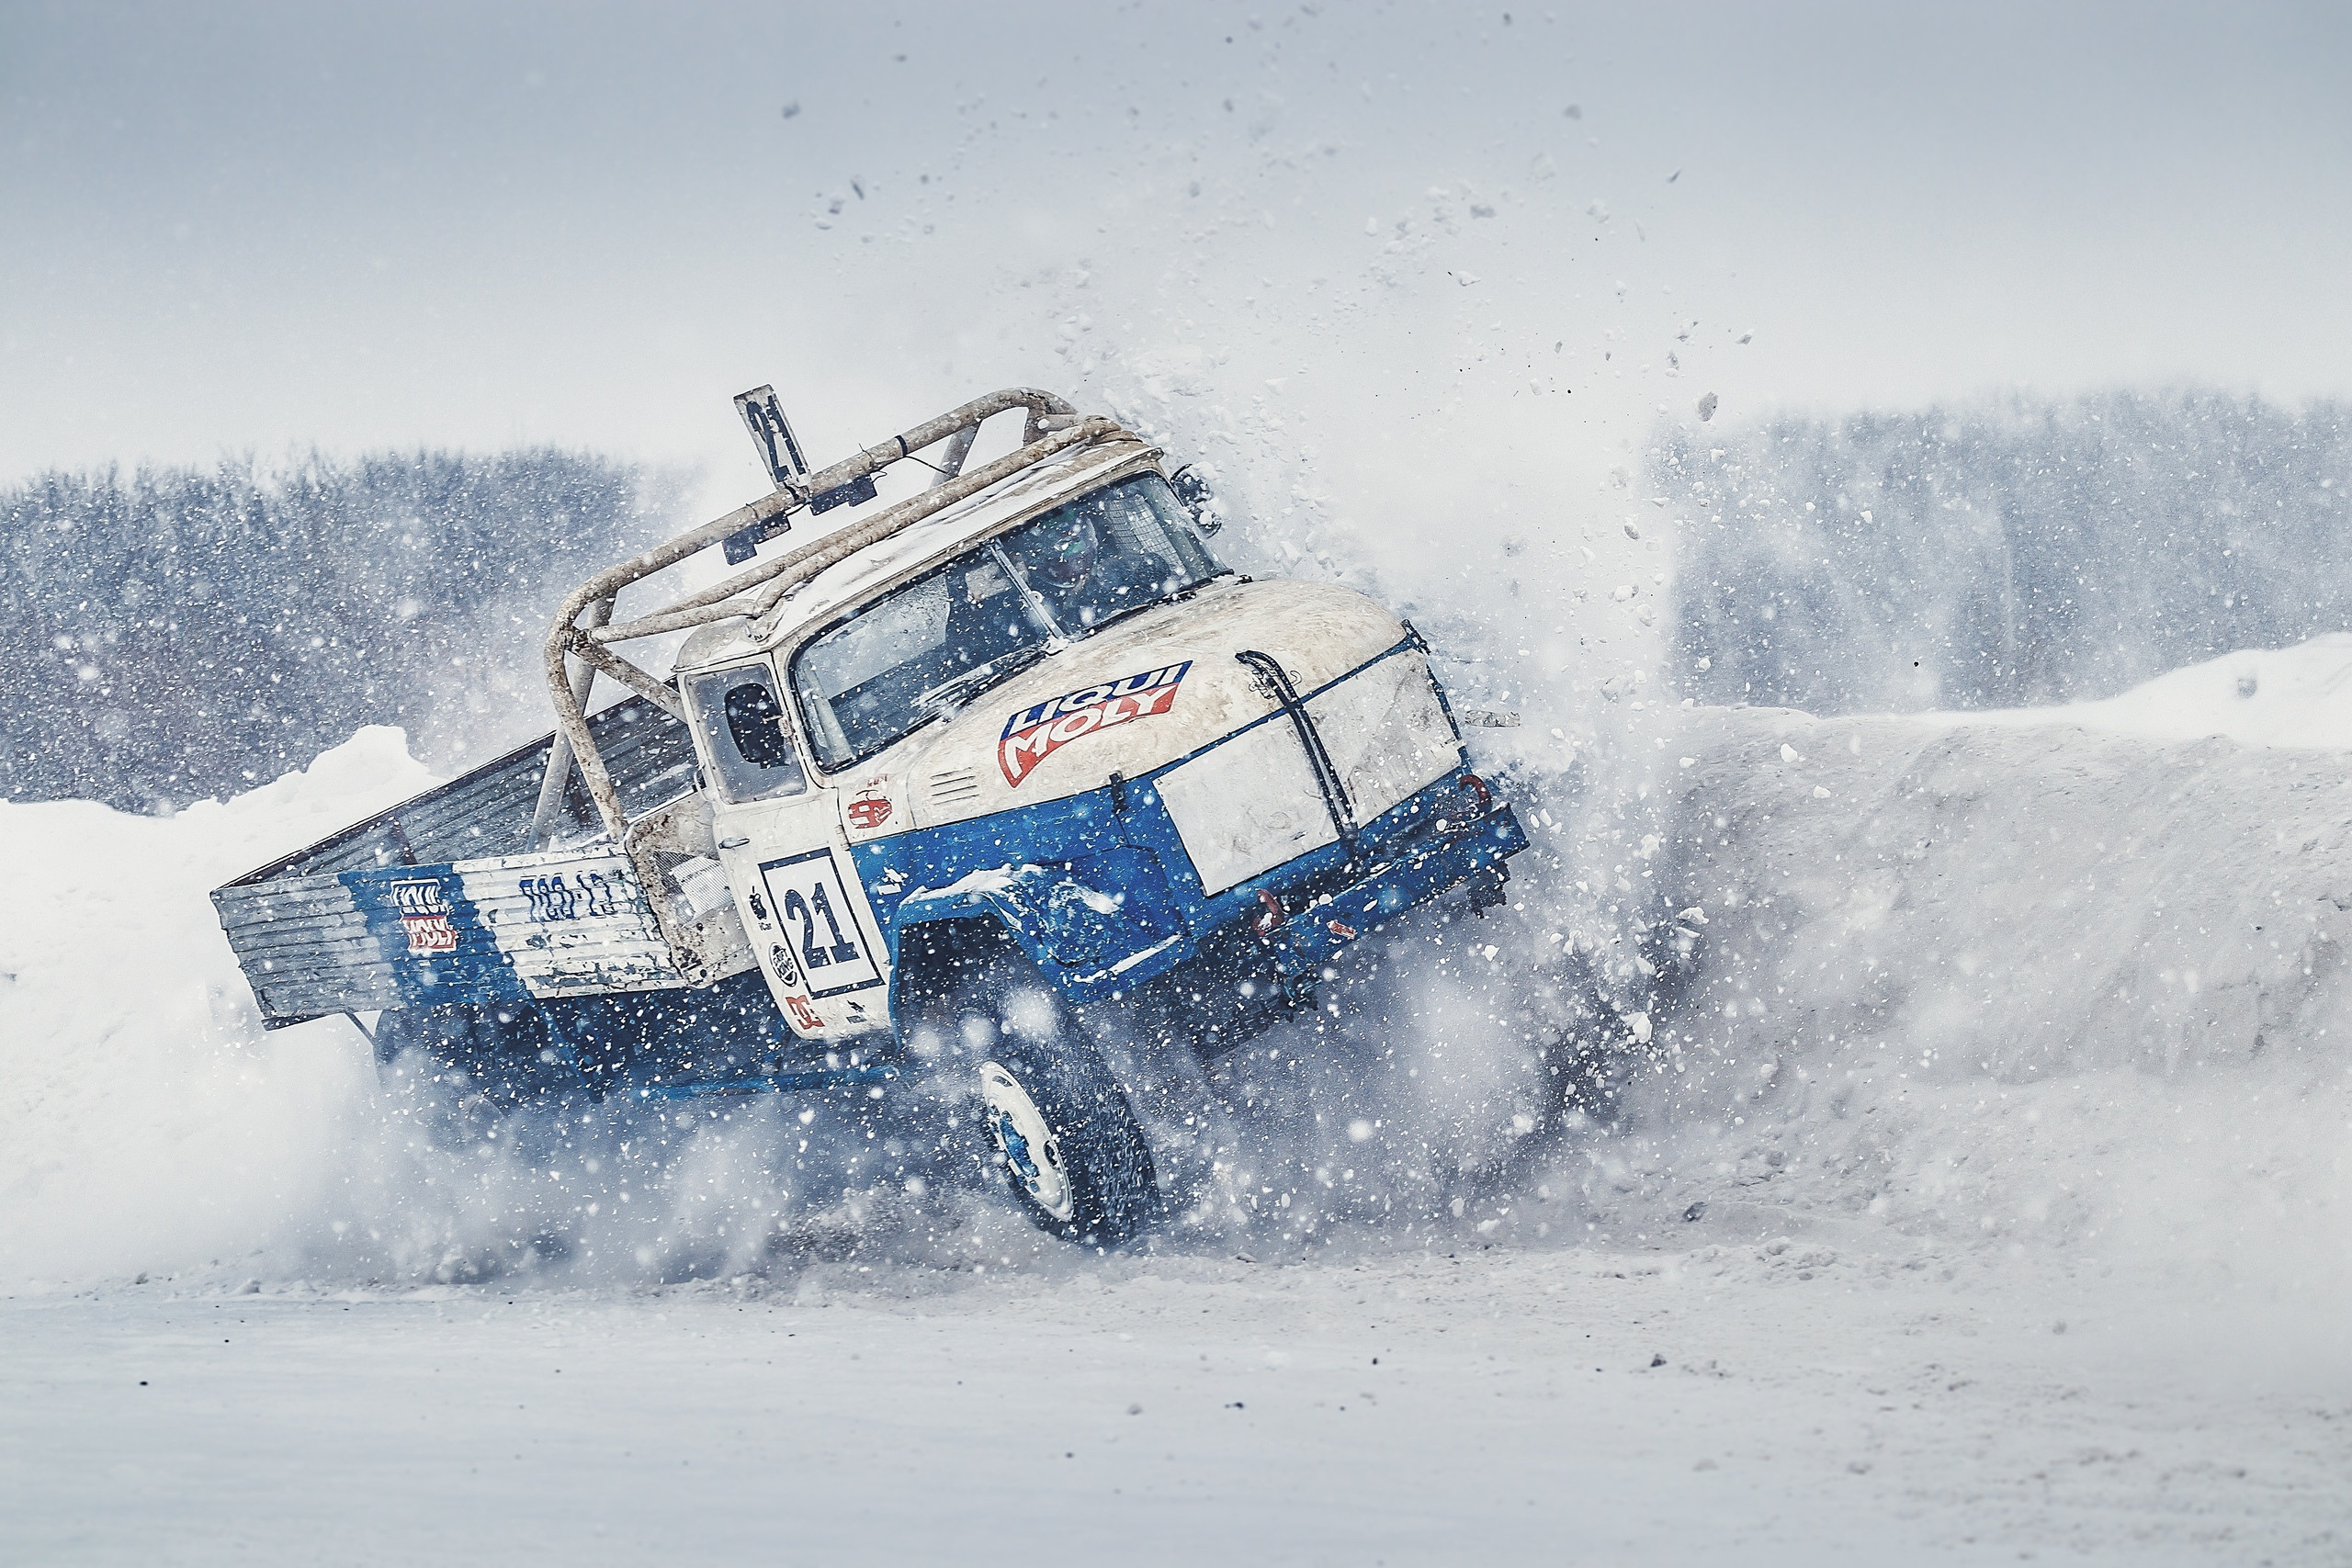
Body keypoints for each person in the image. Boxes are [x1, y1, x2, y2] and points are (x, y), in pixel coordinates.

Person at [1006, 506, 1171, 630]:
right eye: (1062, 549)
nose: (1074, 560)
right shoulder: (1029, 599)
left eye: (1075, 541)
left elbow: (1160, 587)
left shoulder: (1119, 570)